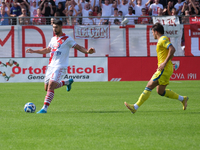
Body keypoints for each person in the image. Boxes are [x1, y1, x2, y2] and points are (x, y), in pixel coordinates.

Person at [25, 20, 95, 114]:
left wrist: (87, 51)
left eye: (56, 27)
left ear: (61, 27)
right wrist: (33, 51)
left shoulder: (67, 39)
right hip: (51, 66)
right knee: (47, 88)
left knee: (51, 86)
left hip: (60, 66)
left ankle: (44, 109)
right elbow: (47, 50)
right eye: (53, 27)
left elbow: (78, 47)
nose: (54, 29)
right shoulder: (53, 39)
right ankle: (67, 82)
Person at [124, 22, 189, 114]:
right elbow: (170, 52)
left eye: (152, 32)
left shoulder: (162, 39)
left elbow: (172, 49)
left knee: (149, 86)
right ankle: (183, 99)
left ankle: (135, 107)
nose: (152, 34)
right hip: (168, 68)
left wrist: (164, 63)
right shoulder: (162, 40)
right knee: (160, 91)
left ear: (156, 32)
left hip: (164, 69)